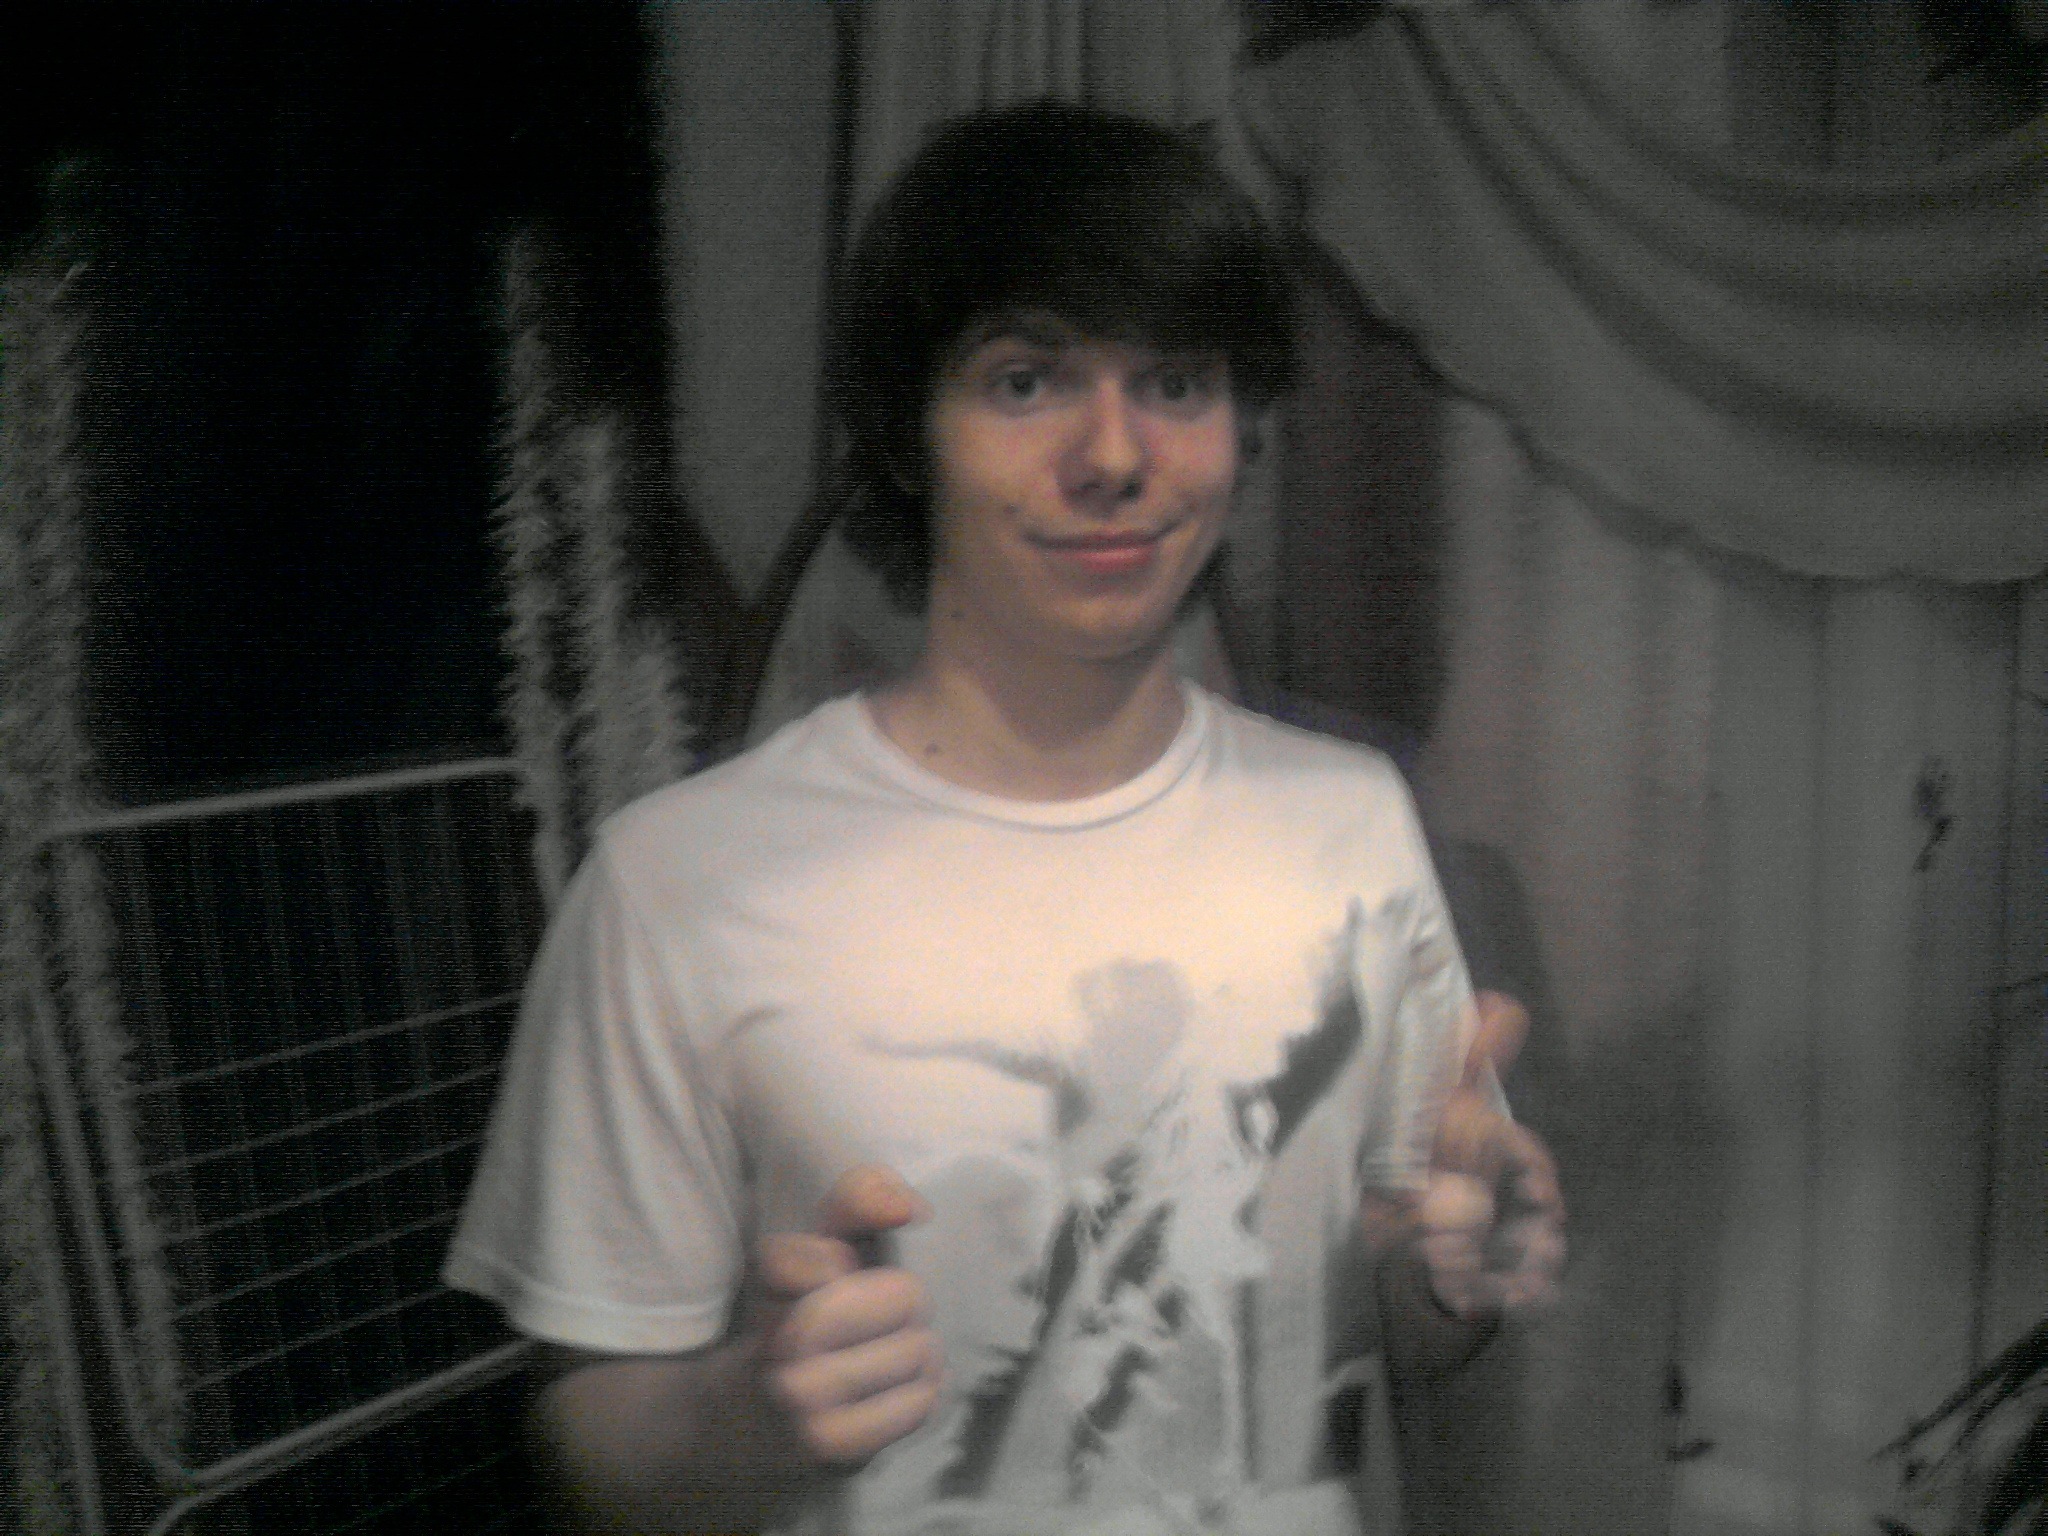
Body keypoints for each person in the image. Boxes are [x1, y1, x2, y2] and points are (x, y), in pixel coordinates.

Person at [444, 100, 1564, 1536]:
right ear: (909, 437)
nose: (1115, 454)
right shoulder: (679, 882)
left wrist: (1458, 1276)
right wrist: (741, 1417)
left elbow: (1399, 1336)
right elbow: (585, 1441)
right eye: (1027, 381)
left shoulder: (1349, 823)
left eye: (1177, 383)